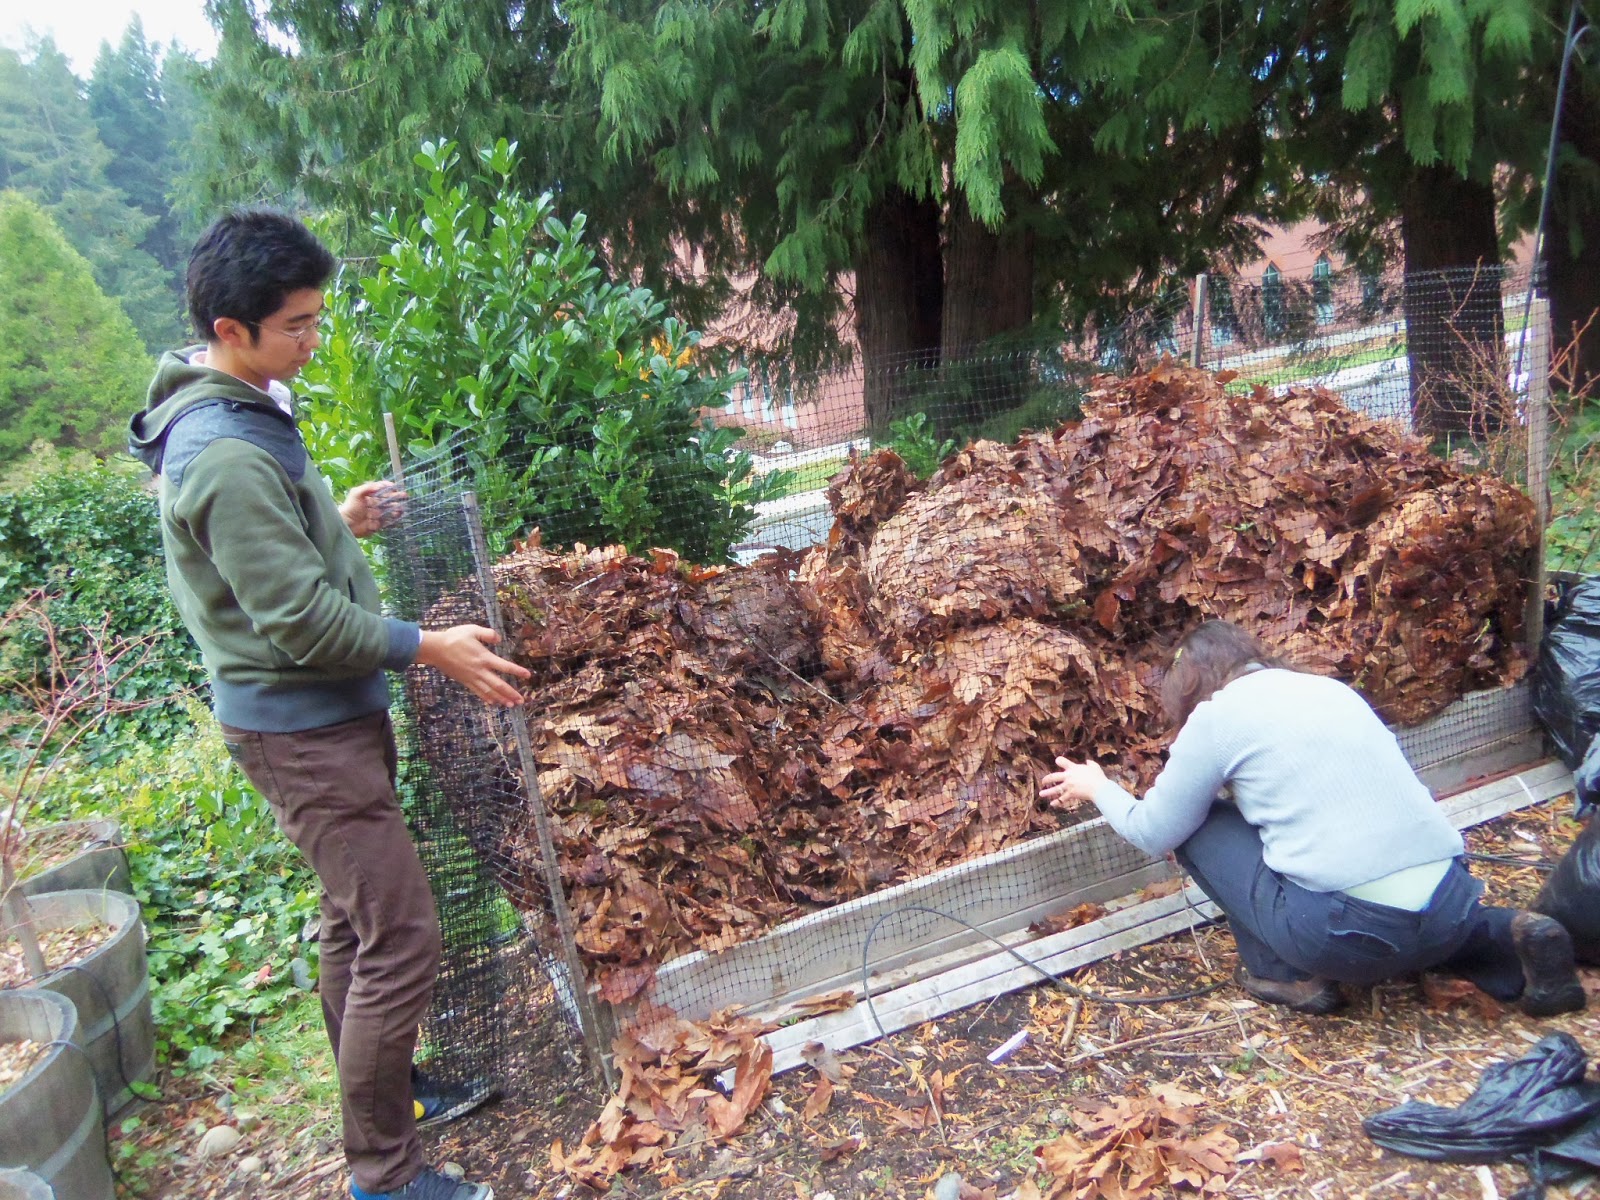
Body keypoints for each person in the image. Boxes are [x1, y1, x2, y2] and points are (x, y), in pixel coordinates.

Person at [129, 208, 530, 1200]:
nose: (316, 339)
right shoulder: (220, 450)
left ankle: (390, 1097)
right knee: (401, 936)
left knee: (356, 927)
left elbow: (270, 554)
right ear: (231, 328)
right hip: (301, 730)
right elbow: (299, 621)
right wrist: (424, 648)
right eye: (299, 324)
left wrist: (333, 515)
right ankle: (383, 1179)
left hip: (318, 721)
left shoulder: (244, 404)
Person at [1040, 620, 1587, 1019]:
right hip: (1451, 901)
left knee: (1201, 823)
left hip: (1347, 938)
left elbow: (1153, 830)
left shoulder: (1217, 718)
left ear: (1190, 683)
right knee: (1422, 923)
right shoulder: (1333, 691)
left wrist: (1099, 786)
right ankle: (1507, 936)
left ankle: (1286, 975)